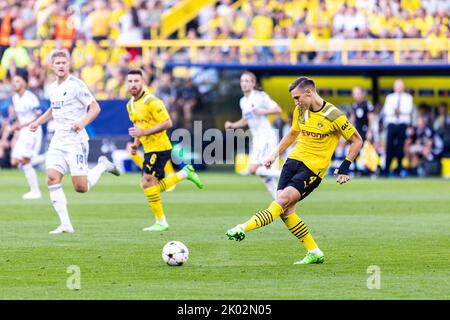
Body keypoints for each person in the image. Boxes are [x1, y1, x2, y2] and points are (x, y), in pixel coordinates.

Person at [226, 76, 363, 265]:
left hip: (312, 170)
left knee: (280, 201)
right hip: (292, 162)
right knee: (285, 211)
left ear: (309, 92)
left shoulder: (334, 115)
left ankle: (243, 227)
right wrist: (274, 154)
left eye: (297, 98)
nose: (296, 102)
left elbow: (357, 140)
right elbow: (292, 133)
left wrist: (345, 166)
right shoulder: (301, 110)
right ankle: (314, 251)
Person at [29, 50, 120, 234]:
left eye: (64, 62)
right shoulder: (52, 87)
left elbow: (95, 108)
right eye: (57, 63)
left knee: (81, 187)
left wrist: (82, 122)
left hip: (75, 141)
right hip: (58, 140)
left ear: (68, 64)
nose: (61, 66)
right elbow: (53, 110)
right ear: (52, 66)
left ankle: (102, 166)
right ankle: (65, 225)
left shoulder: (77, 85)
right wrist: (38, 122)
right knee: (52, 178)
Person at [126, 69, 203, 232]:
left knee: (147, 182)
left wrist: (143, 133)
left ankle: (161, 222)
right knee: (150, 185)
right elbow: (138, 126)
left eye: (136, 81)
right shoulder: (130, 105)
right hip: (148, 148)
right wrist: (135, 143)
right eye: (130, 81)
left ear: (143, 82)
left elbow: (168, 123)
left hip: (160, 147)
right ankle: (184, 174)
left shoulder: (152, 101)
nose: (133, 84)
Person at [224, 71, 282, 199]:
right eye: (242, 81)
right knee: (263, 174)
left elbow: (278, 110)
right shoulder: (243, 101)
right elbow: (245, 120)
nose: (244, 84)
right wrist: (232, 125)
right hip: (257, 139)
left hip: (266, 136)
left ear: (253, 83)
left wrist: (263, 111)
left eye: (247, 81)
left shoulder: (261, 96)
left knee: (252, 169)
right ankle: (279, 200)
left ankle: (282, 173)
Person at [9, 69, 43, 199]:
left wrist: (20, 126)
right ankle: (45, 157)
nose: (14, 84)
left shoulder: (31, 98)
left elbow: (38, 116)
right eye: (13, 81)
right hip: (23, 132)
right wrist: (17, 129)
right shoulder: (15, 98)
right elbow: (20, 118)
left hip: (33, 131)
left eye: (17, 81)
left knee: (26, 160)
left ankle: (35, 191)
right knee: (14, 161)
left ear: (24, 82)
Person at [380, 79, 415, 176]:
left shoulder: (408, 97)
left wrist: (399, 111)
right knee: (389, 146)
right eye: (397, 86)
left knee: (400, 147)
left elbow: (408, 110)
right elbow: (387, 111)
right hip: (392, 124)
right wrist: (396, 111)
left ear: (403, 87)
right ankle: (386, 169)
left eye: (400, 86)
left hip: (402, 124)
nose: (399, 88)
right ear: (394, 87)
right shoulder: (390, 97)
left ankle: (399, 169)